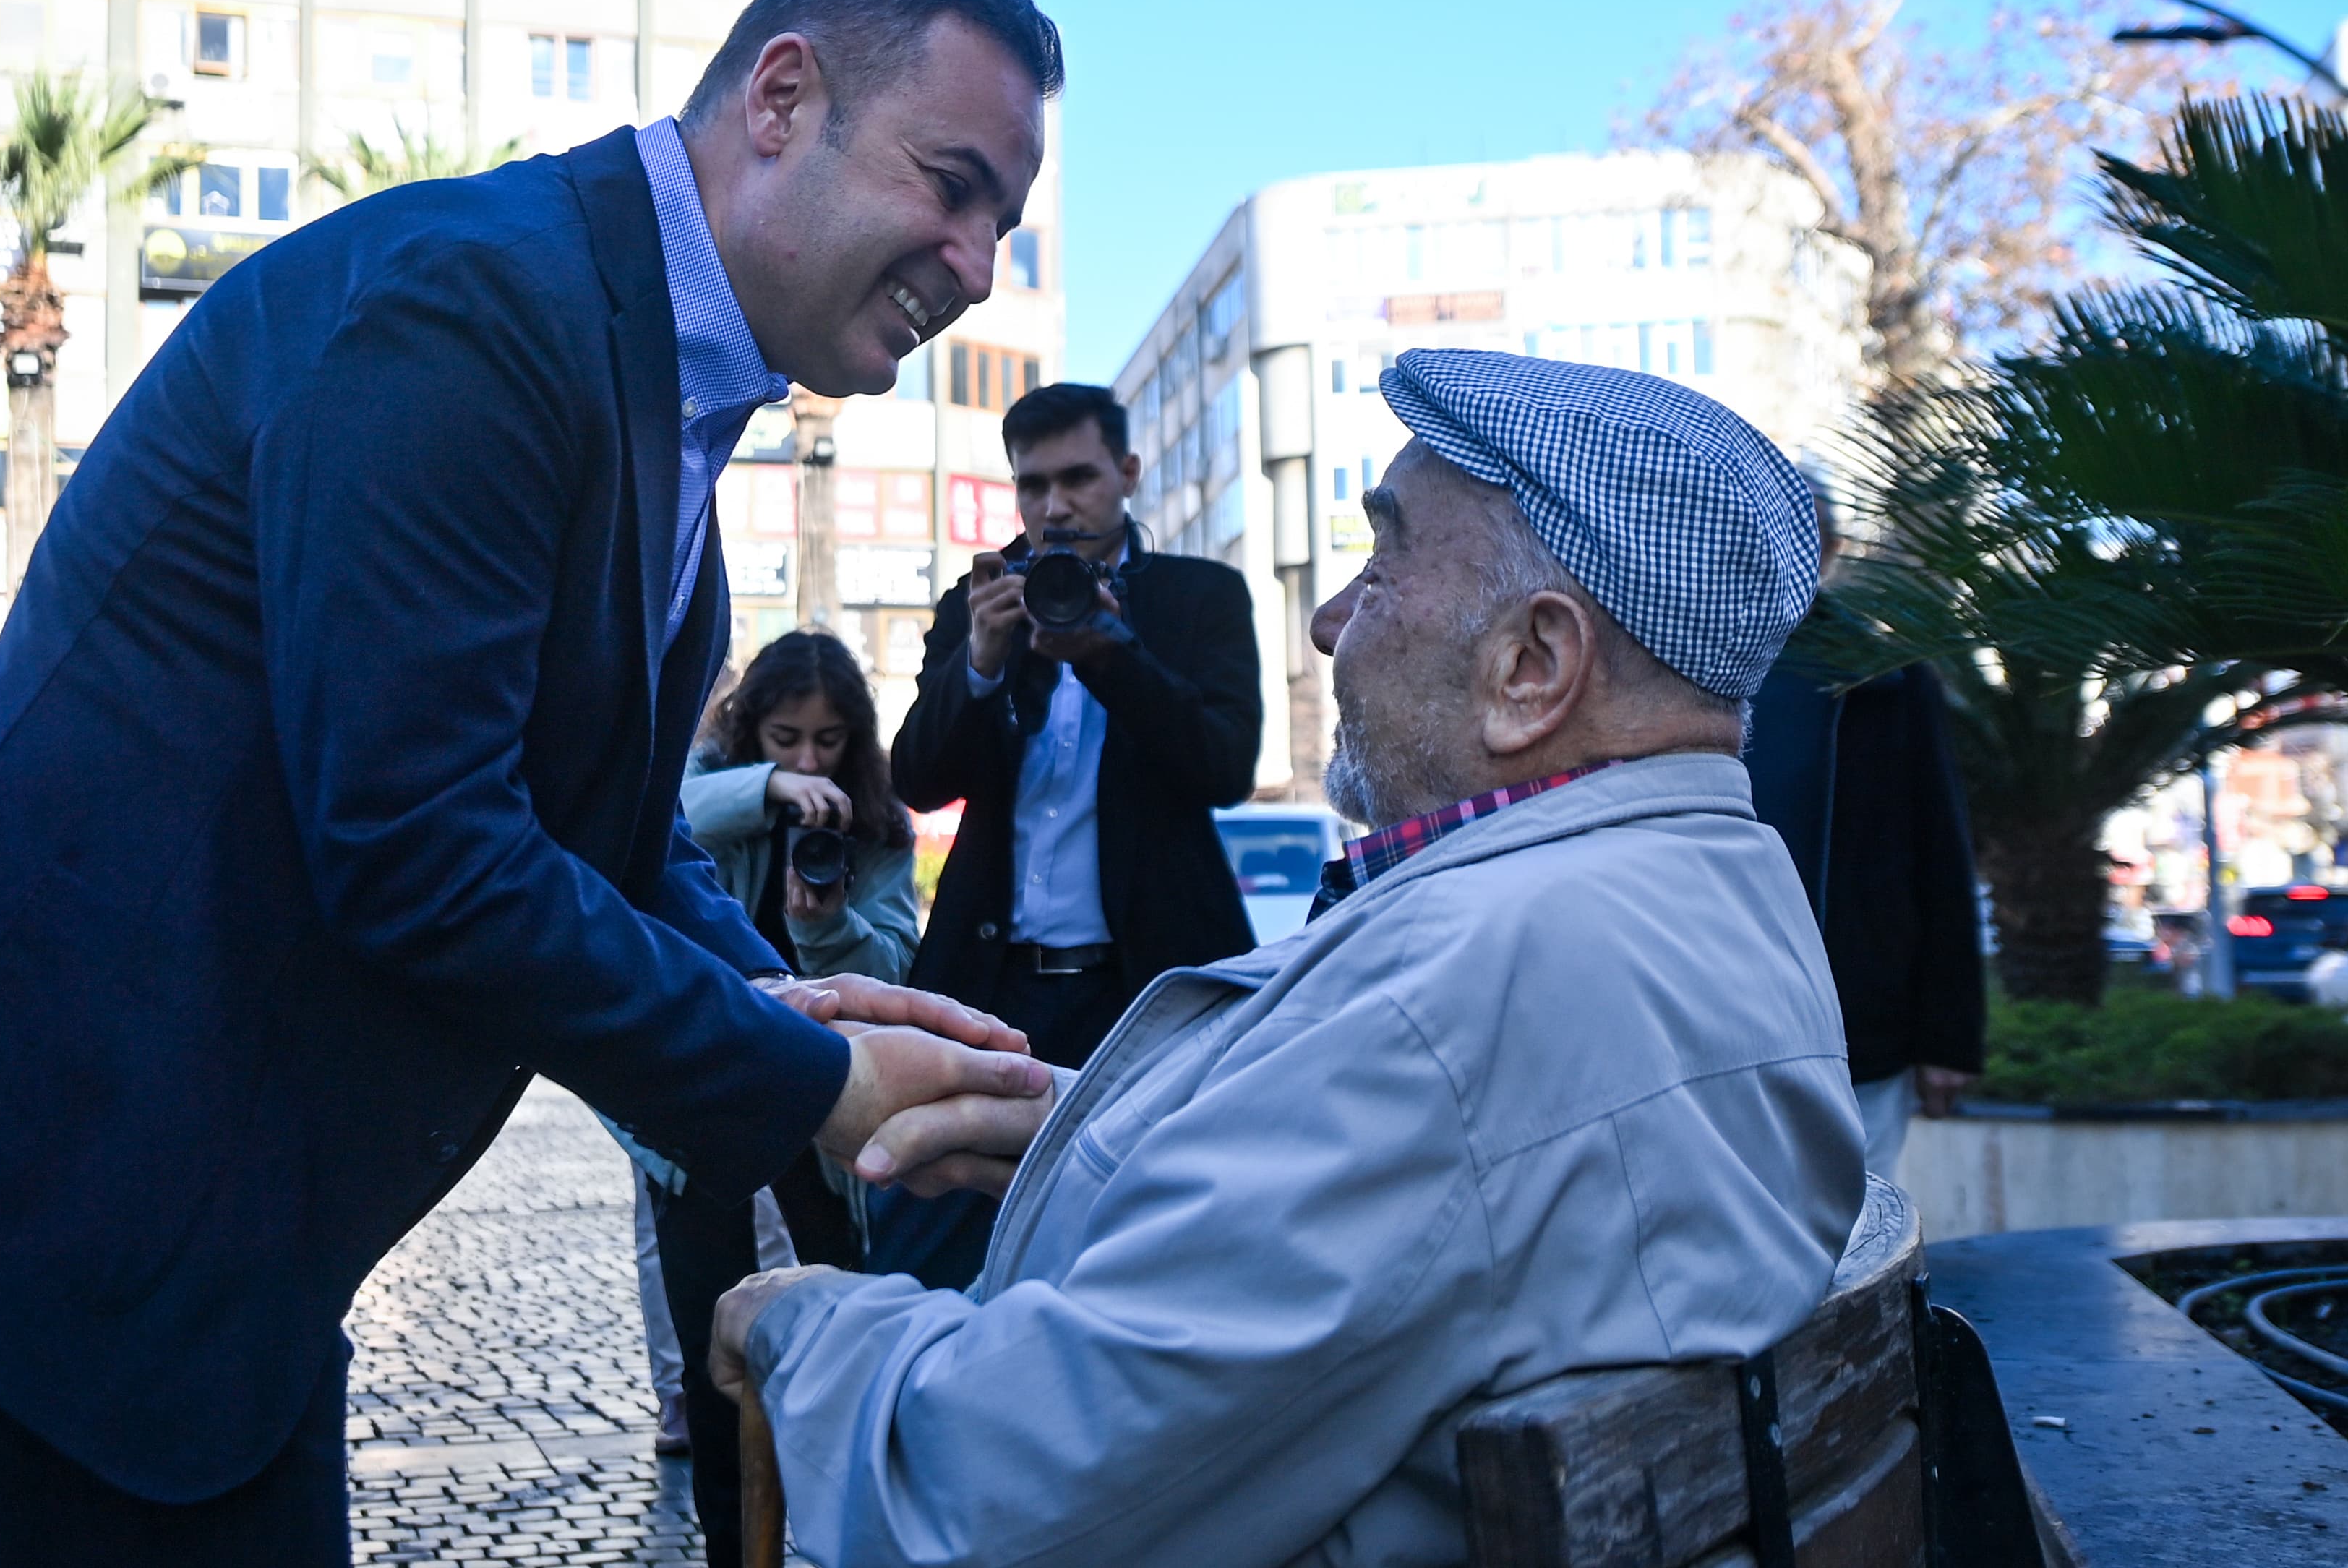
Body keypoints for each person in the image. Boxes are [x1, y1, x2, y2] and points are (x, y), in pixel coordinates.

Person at [0, 0, 1059, 1566]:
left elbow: (605, 834)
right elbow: (413, 844)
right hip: (77, 1176)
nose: (974, 263)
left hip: (202, 1215)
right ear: (782, 95)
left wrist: (785, 994)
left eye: (1002, 224)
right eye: (950, 183)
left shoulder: (643, 381)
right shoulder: (482, 300)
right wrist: (812, 1076)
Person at [715, 351, 1869, 1568]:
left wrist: (805, 1322)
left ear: (1532, 666)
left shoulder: (1460, 994)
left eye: (1378, 568)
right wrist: (1066, 1121)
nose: (1328, 623)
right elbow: (1438, 1211)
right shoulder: (1723, 885)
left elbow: (986, 1492)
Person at [880, 381, 1261, 1286]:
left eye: (1080, 478)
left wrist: (1110, 654)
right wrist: (978, 661)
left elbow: (1224, 767)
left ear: (1127, 473)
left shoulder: (1199, 597)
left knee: (1144, 1256)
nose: (1056, 507)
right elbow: (917, 779)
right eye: (1033, 484)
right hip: (990, 988)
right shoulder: (980, 601)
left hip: (1146, 989)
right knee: (930, 1253)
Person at [642, 630, 922, 1564]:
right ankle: (734, 1548)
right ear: (749, 728)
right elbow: (659, 824)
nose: (809, 761)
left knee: (848, 1309)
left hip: (822, 1099)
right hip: (702, 1102)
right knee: (710, 1343)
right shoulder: (703, 799)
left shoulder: (876, 824)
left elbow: (893, 965)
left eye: (830, 741)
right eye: (786, 737)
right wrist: (764, 793)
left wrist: (831, 928)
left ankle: (855, 1533)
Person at [1746, 477, 1984, 1180]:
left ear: (1830, 550)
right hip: (1718, 1023)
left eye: (1803, 534)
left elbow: (1940, 853)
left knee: (1855, 1238)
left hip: (1862, 1029)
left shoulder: (1890, 679)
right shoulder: (1680, 664)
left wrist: (1949, 1037)